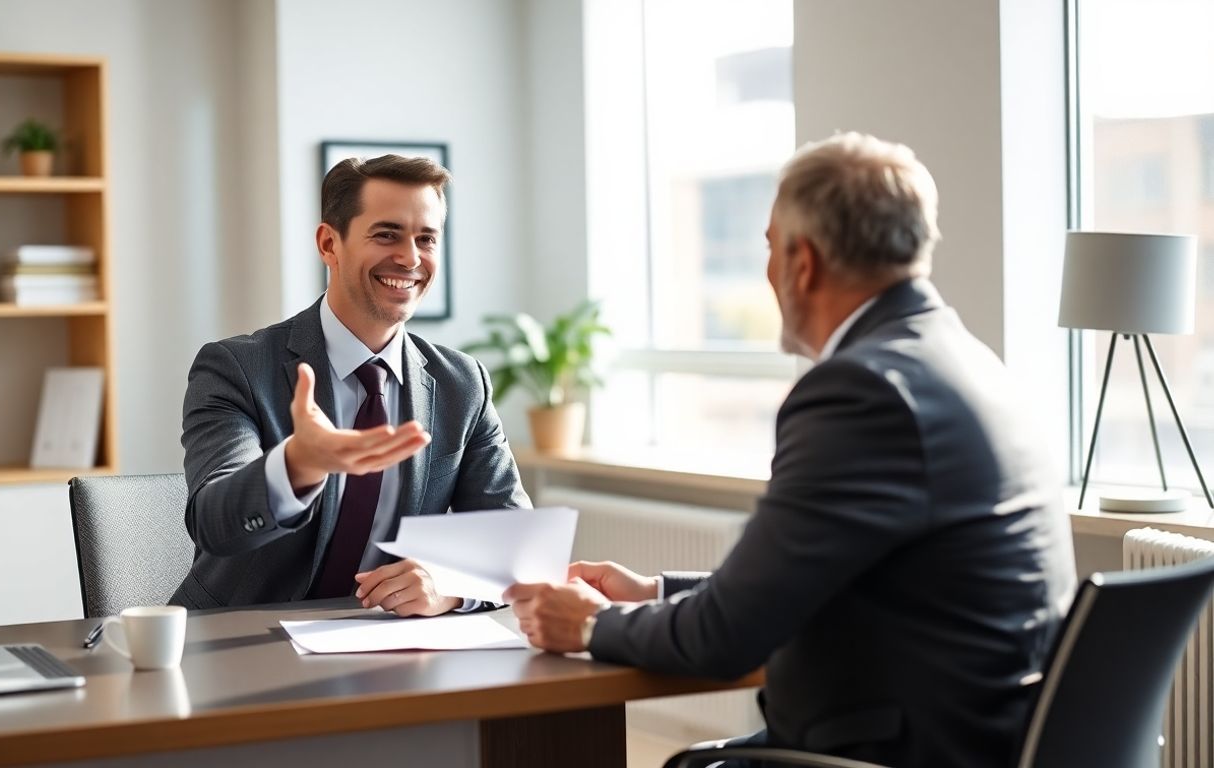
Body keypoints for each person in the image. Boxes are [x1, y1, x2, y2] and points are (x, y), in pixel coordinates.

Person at [504, 133, 1077, 767]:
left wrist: (589, 625)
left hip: (892, 750)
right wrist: (654, 591)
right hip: (979, 735)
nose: (769, 270)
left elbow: (726, 639)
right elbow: (798, 584)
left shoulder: (863, 389)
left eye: (770, 248)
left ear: (803, 262)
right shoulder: (964, 361)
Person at [171, 154, 530, 616]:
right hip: (242, 640)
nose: (410, 257)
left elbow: (512, 542)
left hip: (387, 646)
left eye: (426, 238)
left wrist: (450, 585)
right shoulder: (236, 367)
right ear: (329, 243)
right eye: (386, 235)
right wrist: (298, 464)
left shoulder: (462, 384)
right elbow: (215, 524)